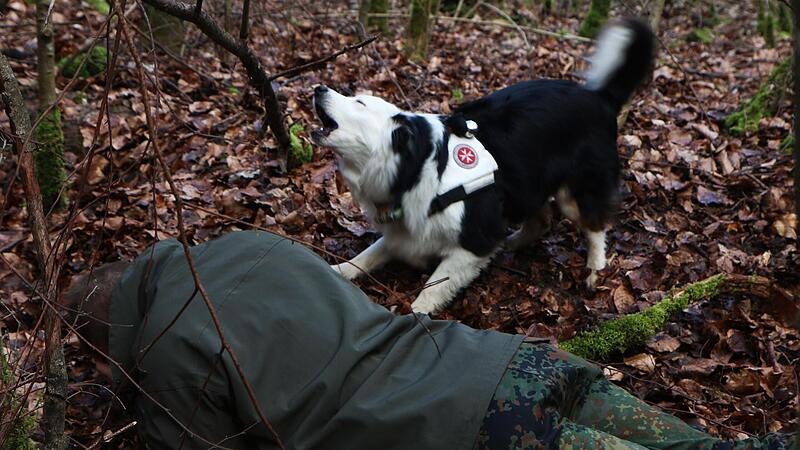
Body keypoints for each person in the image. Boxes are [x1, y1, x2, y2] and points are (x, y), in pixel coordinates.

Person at [63, 231, 794, 450]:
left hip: (482, 431)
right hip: (515, 363)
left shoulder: (161, 347)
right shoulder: (242, 244)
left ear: (107, 337)